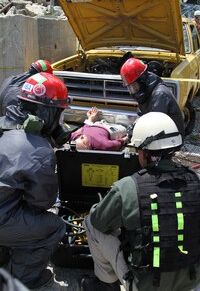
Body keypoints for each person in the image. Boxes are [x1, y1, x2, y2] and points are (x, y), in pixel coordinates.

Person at [81, 111, 200, 291]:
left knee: (90, 222)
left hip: (147, 286)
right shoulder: (195, 182)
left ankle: (106, 284)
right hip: (192, 282)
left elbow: (99, 221)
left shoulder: (128, 187)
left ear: (143, 154)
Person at [0, 72, 69, 289]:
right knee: (54, 227)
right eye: (59, 113)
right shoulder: (38, 150)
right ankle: (22, 279)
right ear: (45, 112)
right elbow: (42, 203)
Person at [120, 57, 185, 138]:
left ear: (142, 80)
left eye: (134, 86)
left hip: (172, 138)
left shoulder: (160, 94)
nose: (133, 91)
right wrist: (133, 127)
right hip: (160, 133)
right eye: (130, 88)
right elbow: (141, 116)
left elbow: (155, 124)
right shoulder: (145, 92)